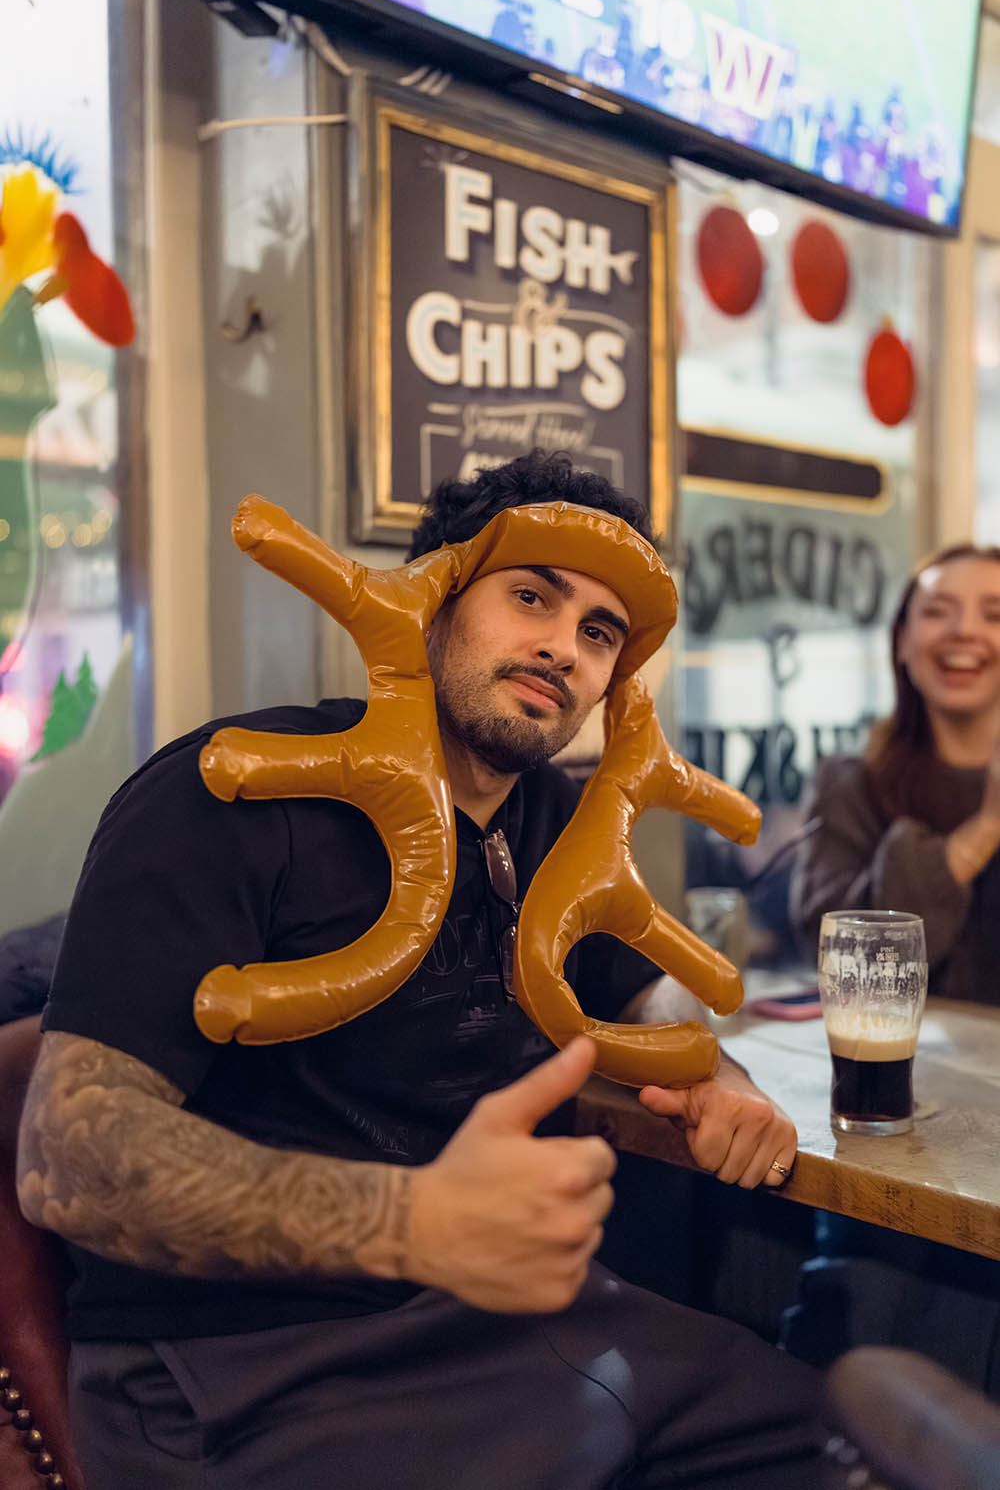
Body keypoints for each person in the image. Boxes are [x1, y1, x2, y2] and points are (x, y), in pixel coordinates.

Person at [18, 451, 850, 1490]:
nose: (563, 646)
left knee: (848, 1442)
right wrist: (408, 1223)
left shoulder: (554, 822)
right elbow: (70, 1157)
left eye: (599, 631)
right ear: (432, 599)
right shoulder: (233, 792)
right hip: (241, 1369)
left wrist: (717, 1074)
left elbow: (651, 992)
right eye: (532, 596)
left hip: (508, 1320)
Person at [791, 543, 1000, 1002]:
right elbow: (839, 965)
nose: (964, 631)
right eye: (938, 611)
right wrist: (985, 829)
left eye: (994, 615)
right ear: (902, 642)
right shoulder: (848, 784)